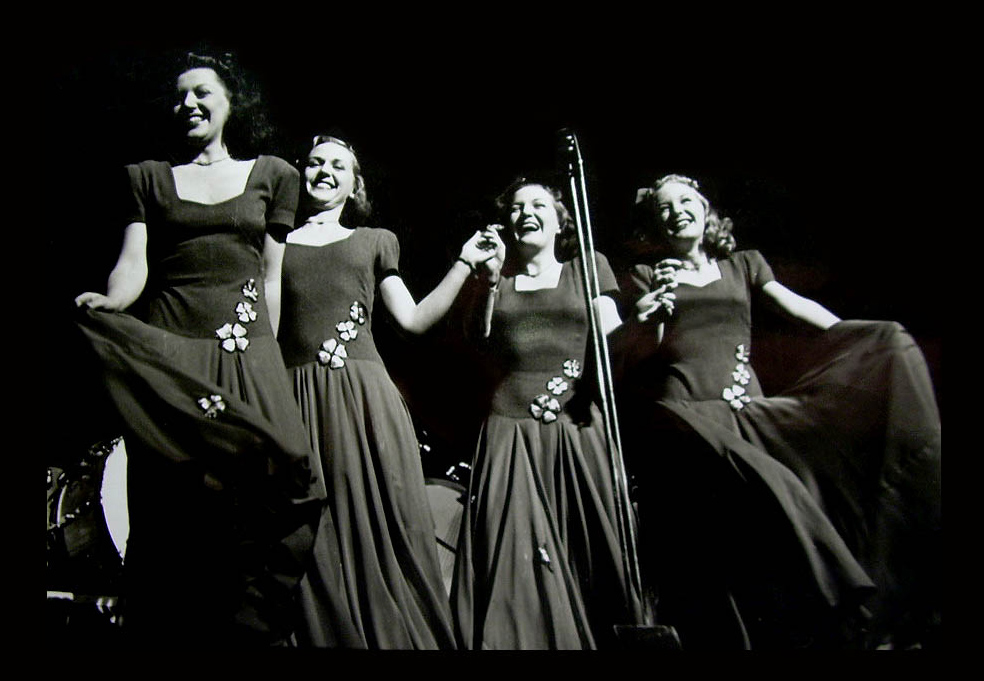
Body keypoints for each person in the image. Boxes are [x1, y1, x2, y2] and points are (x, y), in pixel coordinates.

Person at [614, 174, 941, 649]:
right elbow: (649, 348)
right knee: (761, 500)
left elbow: (795, 305)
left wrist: (859, 338)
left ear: (706, 211)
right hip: (688, 414)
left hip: (747, 410)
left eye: (685, 201)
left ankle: (825, 623)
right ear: (655, 225)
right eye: (664, 208)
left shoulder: (743, 265)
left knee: (774, 519)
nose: (676, 211)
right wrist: (653, 313)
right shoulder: (645, 276)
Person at [73, 51, 331, 646]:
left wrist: (268, 356)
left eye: (202, 92)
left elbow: (271, 277)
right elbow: (133, 264)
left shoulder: (273, 175)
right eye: (179, 95)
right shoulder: (147, 177)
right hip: (173, 350)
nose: (187, 103)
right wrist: (113, 302)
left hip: (245, 346)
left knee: (290, 474)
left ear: (231, 102)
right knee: (177, 501)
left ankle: (249, 628)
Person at [277, 134, 497, 649]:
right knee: (309, 525)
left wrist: (464, 263)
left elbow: (414, 321)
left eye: (339, 166)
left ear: (355, 185)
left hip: (361, 399)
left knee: (375, 520)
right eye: (316, 163)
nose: (325, 172)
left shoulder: (373, 241)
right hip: (295, 396)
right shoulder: (276, 243)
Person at [449, 177, 645, 650]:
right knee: (513, 558)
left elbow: (612, 339)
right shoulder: (498, 282)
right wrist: (489, 281)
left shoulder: (587, 267)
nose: (526, 213)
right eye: (516, 207)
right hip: (510, 432)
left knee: (587, 551)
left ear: (561, 222)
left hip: (574, 429)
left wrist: (645, 322)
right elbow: (478, 338)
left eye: (538, 204)